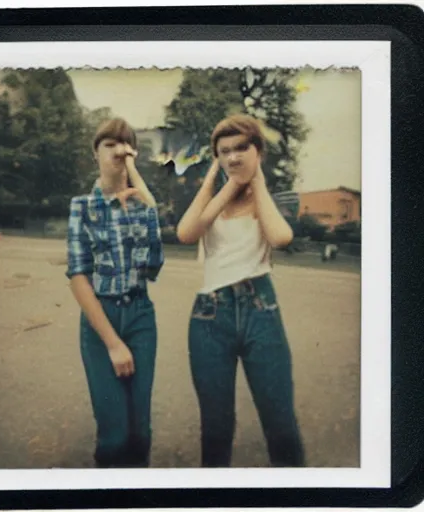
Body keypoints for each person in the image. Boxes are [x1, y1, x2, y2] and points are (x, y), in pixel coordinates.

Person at [176, 114, 305, 468]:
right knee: (215, 428)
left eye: (242, 148)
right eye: (224, 151)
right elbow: (187, 233)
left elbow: (280, 237)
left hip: (260, 310)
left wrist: (256, 180)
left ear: (258, 151)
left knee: (280, 424)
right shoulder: (215, 200)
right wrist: (218, 182)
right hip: (209, 316)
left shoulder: (265, 201)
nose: (233, 157)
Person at [66, 118, 164, 468]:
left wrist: (145, 209)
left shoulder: (142, 206)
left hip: (140, 316)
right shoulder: (82, 207)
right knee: (114, 434)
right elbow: (78, 276)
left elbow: (154, 269)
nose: (118, 151)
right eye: (109, 144)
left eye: (125, 145)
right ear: (96, 153)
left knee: (141, 433)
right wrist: (112, 343)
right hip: (100, 321)